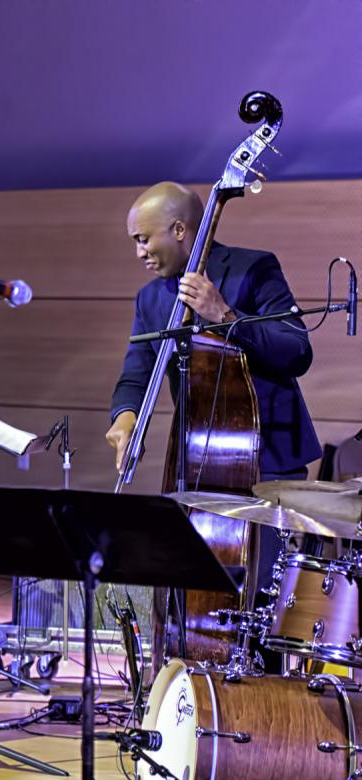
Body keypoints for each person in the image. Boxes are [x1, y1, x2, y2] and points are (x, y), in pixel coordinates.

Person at [105, 181, 319, 596]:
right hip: (198, 462)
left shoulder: (254, 268)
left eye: (144, 239)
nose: (139, 253)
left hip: (267, 458)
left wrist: (224, 314)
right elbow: (137, 372)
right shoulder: (149, 299)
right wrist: (125, 418)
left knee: (260, 599)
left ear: (180, 230)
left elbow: (297, 350)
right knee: (196, 594)